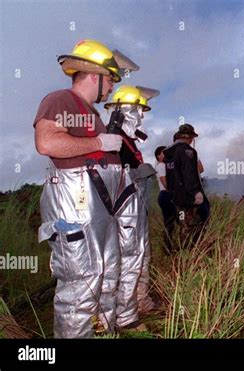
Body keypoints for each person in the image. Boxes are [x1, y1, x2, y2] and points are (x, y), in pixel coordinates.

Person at [34, 40, 139, 338]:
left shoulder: (92, 114)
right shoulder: (61, 100)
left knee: (106, 274)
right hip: (74, 204)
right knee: (81, 283)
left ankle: (102, 333)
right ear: (95, 75)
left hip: (99, 207)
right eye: (111, 80)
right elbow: (47, 143)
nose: (112, 89)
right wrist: (98, 143)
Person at [104, 85, 160, 324]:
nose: (142, 116)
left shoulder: (128, 141)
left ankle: (140, 301)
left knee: (141, 256)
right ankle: (122, 313)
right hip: (124, 214)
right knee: (127, 259)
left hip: (137, 210)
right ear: (128, 111)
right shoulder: (113, 140)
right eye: (139, 110)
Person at [163, 124, 210, 250]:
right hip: (187, 197)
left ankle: (177, 252)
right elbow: (189, 174)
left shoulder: (169, 153)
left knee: (181, 224)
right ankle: (188, 254)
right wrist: (196, 192)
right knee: (191, 225)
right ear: (190, 137)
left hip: (175, 195)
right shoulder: (187, 151)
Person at [154, 146, 174, 254]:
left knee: (170, 223)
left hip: (166, 195)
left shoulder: (165, 166)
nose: (166, 155)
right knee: (170, 223)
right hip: (166, 195)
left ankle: (169, 247)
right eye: (163, 153)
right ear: (158, 156)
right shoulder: (161, 166)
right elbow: (165, 183)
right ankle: (168, 249)